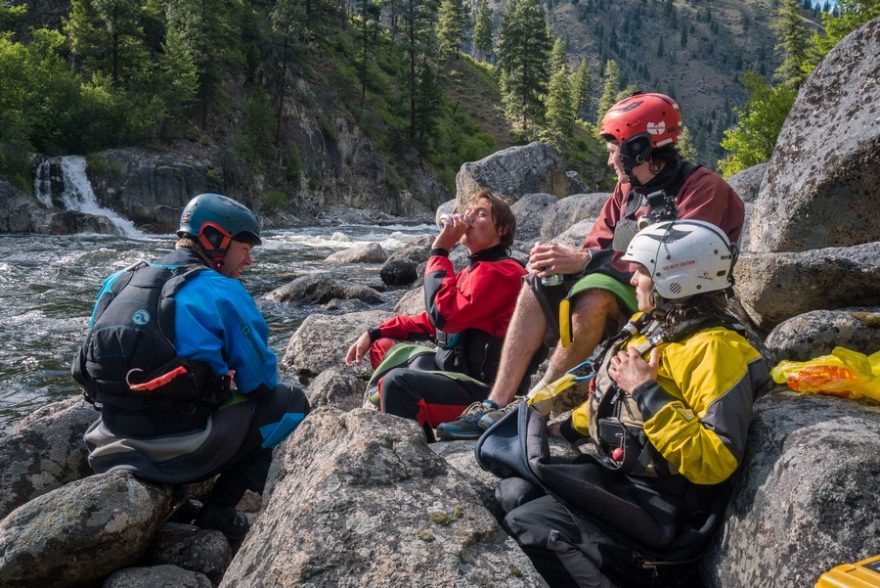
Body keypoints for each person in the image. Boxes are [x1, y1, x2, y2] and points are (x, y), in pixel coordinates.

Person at [437, 91, 745, 440]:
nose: (610, 161)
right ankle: (496, 403)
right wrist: (561, 261)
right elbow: (598, 246)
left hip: (677, 304)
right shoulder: (626, 191)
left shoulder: (703, 189)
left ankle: (534, 407)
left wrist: (586, 260)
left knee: (596, 294)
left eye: (614, 150)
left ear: (638, 149)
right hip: (634, 291)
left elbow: (683, 265)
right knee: (539, 279)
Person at [496, 219, 771, 587]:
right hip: (626, 480)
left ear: (674, 279)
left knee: (530, 524)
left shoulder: (716, 350)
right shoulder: (653, 324)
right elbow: (613, 400)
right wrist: (565, 426)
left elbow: (716, 459)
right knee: (513, 492)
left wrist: (647, 390)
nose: (632, 280)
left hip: (668, 510)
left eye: (641, 271)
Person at [71, 193, 310, 543]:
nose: (250, 260)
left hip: (108, 435)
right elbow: (260, 382)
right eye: (245, 248)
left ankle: (177, 501)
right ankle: (221, 511)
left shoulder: (119, 280)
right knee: (289, 403)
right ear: (215, 239)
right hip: (180, 444)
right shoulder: (223, 291)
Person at [345, 190, 539, 440]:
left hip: (486, 394)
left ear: (501, 230)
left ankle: (416, 451)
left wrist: (440, 250)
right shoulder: (477, 269)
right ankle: (419, 425)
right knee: (382, 347)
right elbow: (431, 323)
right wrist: (374, 332)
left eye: (480, 214)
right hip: (455, 372)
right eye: (468, 212)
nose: (468, 218)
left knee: (397, 383)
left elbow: (444, 315)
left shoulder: (503, 273)